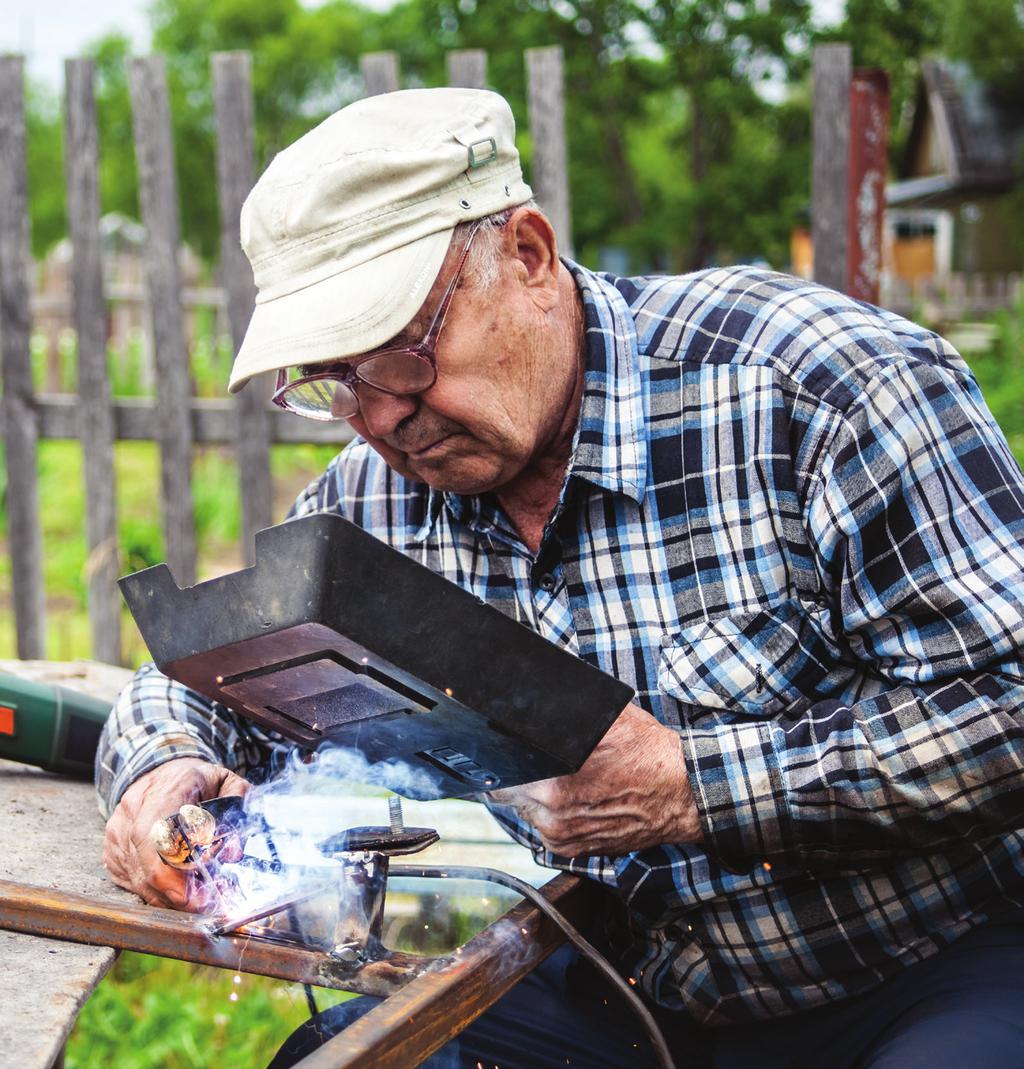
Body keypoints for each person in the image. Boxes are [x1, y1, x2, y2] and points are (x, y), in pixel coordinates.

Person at [97, 87, 1024, 1068]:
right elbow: (200, 673)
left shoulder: (815, 388)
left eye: (401, 355)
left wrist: (691, 786)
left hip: (925, 965)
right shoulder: (374, 501)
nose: (381, 419)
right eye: (335, 381)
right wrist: (163, 764)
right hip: (625, 987)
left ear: (529, 256)